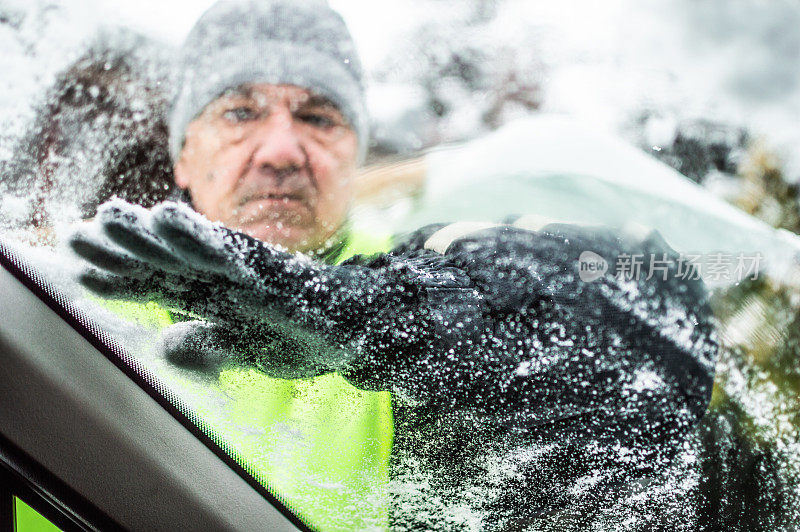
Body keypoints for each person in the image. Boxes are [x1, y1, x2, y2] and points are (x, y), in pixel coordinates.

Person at [70, 0, 718, 529]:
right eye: (239, 112)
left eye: (319, 116)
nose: (281, 150)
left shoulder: (420, 269)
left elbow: (659, 300)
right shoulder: (67, 304)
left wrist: (381, 317)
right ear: (183, 155)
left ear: (355, 152)